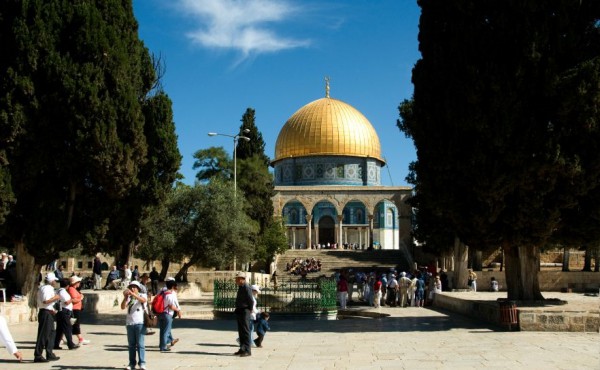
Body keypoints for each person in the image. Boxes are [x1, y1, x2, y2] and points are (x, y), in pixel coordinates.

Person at [34, 272, 61, 363]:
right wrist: (56, 297)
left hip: (49, 313)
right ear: (51, 281)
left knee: (51, 334)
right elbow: (45, 301)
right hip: (46, 313)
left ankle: (49, 353)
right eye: (54, 280)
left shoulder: (46, 288)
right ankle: (38, 355)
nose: (55, 282)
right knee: (43, 334)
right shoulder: (46, 288)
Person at [121, 280, 147, 370]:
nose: (132, 288)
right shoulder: (129, 298)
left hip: (140, 322)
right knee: (131, 345)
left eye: (134, 287)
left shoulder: (142, 295)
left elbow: (143, 300)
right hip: (130, 323)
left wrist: (134, 295)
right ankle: (132, 363)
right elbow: (122, 307)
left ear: (138, 288)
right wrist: (125, 297)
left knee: (140, 344)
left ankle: (142, 363)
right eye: (131, 287)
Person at [54, 278, 79, 351]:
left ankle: (56, 344)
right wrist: (72, 300)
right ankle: (70, 344)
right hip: (64, 312)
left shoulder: (58, 291)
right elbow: (66, 302)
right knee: (68, 328)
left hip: (61, 312)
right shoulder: (62, 292)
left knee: (60, 329)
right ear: (67, 285)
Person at [233, 272, 253, 357]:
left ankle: (247, 350)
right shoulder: (241, 287)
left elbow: (250, 299)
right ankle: (242, 348)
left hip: (245, 310)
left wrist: (250, 309)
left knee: (245, 331)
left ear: (242, 279)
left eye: (237, 279)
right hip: (240, 310)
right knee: (241, 331)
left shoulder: (246, 287)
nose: (236, 280)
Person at [158, 280, 181, 352]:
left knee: (162, 331)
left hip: (161, 313)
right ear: (173, 286)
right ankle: (163, 347)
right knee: (166, 331)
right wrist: (177, 310)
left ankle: (161, 345)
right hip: (167, 314)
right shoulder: (170, 295)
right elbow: (171, 306)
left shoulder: (163, 293)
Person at [67, 276, 90, 345]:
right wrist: (81, 298)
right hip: (74, 309)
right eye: (78, 282)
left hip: (77, 309)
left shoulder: (74, 289)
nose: (79, 283)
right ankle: (80, 339)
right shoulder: (71, 289)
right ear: (75, 283)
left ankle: (60, 339)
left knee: (70, 325)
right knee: (75, 324)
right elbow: (74, 300)